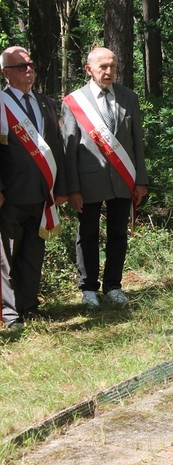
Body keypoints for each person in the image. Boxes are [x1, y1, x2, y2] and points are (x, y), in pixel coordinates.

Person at [61, 47, 148, 307]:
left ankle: (113, 285)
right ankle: (88, 288)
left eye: (113, 66)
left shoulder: (129, 97)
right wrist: (73, 188)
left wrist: (141, 180)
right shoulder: (74, 102)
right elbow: (69, 149)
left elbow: (137, 141)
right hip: (88, 182)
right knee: (87, 234)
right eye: (103, 67)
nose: (109, 71)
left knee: (118, 234)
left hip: (123, 178)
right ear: (89, 69)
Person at [0, 46, 67, 327]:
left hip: (41, 194)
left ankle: (30, 307)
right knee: (6, 256)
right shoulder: (1, 103)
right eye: (21, 66)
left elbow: (56, 147)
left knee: (33, 253)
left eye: (31, 64)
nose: (29, 69)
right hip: (10, 195)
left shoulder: (45, 103)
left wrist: (61, 187)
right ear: (6, 73)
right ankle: (10, 314)